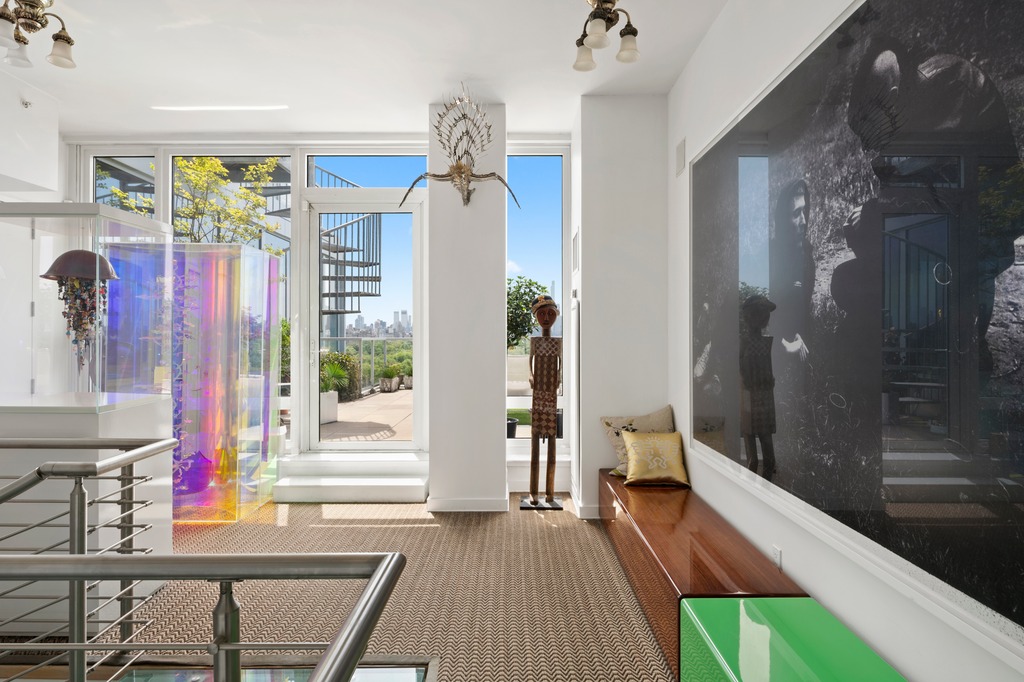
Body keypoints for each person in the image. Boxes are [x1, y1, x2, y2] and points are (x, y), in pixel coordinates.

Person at [523, 294, 562, 509]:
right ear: (536, 317)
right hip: (538, 391)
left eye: (550, 313)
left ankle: (549, 492)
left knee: (552, 437)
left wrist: (559, 377)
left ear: (555, 315)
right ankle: (533, 491)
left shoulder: (557, 343)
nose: (546, 318)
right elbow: (530, 361)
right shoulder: (535, 342)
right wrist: (530, 375)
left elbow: (560, 363)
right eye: (542, 314)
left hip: (551, 392)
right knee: (535, 438)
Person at [740, 294, 777, 481]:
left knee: (768, 453)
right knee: (753, 458)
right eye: (759, 314)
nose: (764, 318)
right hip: (749, 398)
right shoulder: (743, 342)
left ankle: (767, 489)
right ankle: (751, 490)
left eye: (765, 315)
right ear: (749, 316)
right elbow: (740, 371)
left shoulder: (766, 342)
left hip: (764, 397)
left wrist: (769, 379)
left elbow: (767, 369)